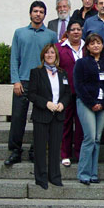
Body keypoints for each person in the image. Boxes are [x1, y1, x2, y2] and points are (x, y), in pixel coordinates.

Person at [5, 1, 58, 166]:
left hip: (43, 82)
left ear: (44, 15)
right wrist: (15, 81)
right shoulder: (19, 33)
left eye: (41, 12)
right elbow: (14, 58)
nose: (38, 14)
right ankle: (15, 151)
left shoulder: (50, 35)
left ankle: (36, 151)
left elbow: (54, 59)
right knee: (18, 117)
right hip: (23, 82)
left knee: (41, 119)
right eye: (35, 11)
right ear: (30, 14)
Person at [28, 44, 71, 189]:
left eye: (52, 52)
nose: (50, 55)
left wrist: (62, 104)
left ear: (56, 55)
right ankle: (41, 178)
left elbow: (67, 93)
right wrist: (46, 103)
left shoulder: (62, 73)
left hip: (57, 115)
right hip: (42, 115)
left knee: (55, 148)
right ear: (43, 56)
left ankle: (55, 177)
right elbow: (31, 94)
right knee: (40, 148)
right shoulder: (36, 72)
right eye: (47, 53)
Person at [74, 33, 104, 185]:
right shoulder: (82, 63)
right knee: (89, 137)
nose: (96, 45)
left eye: (98, 42)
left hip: (103, 104)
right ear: (88, 47)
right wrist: (92, 103)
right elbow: (79, 86)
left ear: (102, 45)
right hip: (86, 104)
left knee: (97, 138)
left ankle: (93, 173)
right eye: (92, 43)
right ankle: (83, 173)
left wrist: (103, 103)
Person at [56, 20, 85, 167]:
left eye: (78, 29)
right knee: (65, 123)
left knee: (81, 125)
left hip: (84, 93)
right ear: (67, 32)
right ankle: (65, 154)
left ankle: (79, 153)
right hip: (65, 93)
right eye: (72, 29)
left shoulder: (88, 47)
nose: (75, 32)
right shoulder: (59, 48)